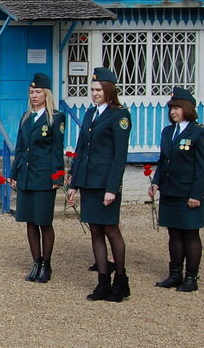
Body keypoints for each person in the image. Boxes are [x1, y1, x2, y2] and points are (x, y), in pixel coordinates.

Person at [67, 67, 131, 302]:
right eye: (92, 89)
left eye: (98, 90)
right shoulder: (89, 114)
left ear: (109, 90)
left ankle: (120, 281)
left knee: (111, 230)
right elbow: (81, 148)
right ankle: (102, 281)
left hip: (106, 182)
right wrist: (74, 181)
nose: (94, 94)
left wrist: (112, 188)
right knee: (95, 231)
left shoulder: (119, 115)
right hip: (89, 181)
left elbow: (119, 155)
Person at [148, 87, 204, 293]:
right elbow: (163, 160)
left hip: (188, 192)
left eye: (177, 108)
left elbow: (202, 167)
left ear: (187, 108)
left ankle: (191, 277)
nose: (173, 112)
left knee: (190, 234)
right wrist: (156, 182)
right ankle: (175, 274)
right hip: (169, 190)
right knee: (174, 234)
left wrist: (196, 194)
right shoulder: (168, 131)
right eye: (171, 108)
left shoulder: (200, 132)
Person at [8, 73, 66, 283]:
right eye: (32, 92)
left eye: (38, 92)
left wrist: (57, 176)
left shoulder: (55, 117)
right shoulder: (26, 117)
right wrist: (14, 173)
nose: (34, 95)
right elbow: (20, 147)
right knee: (30, 222)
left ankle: (46, 264)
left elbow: (57, 149)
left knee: (44, 222)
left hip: (44, 177)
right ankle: (36, 262)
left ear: (46, 93)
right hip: (26, 176)